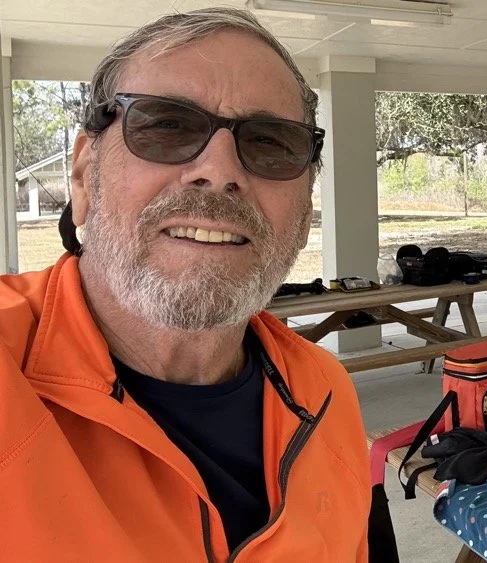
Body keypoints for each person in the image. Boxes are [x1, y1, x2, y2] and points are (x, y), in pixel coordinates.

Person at [0, 8, 370, 560]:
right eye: (166, 125)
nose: (219, 170)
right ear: (83, 175)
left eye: (270, 142)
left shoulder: (325, 393)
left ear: (305, 203)